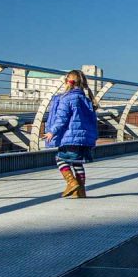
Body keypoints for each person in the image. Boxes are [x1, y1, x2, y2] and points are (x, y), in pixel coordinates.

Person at [44, 70, 99, 198]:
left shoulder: (66, 98)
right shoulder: (86, 99)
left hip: (70, 137)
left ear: (67, 82)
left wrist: (52, 131)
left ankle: (72, 182)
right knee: (77, 162)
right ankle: (80, 191)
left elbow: (61, 118)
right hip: (83, 138)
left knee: (60, 159)